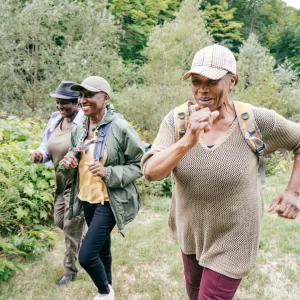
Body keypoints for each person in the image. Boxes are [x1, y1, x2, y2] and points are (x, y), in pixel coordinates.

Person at [141, 44, 300, 300]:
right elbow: (150, 172)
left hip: (235, 236)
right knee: (193, 293)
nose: (202, 90)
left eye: (212, 81)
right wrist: (187, 141)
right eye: (196, 81)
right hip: (192, 232)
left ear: (232, 81)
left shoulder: (255, 120)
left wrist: (292, 192)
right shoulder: (178, 120)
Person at [60, 76, 144, 300]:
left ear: (105, 98)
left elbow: (140, 165)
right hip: (87, 198)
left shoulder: (120, 127)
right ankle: (110, 288)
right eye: (81, 95)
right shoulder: (80, 127)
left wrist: (109, 173)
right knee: (103, 248)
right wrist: (67, 163)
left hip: (109, 200)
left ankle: (104, 291)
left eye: (89, 95)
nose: (82, 100)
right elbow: (72, 163)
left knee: (86, 255)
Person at [30, 80, 85, 286]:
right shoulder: (55, 119)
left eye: (64, 103)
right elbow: (47, 145)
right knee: (59, 221)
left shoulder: (84, 122)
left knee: (70, 226)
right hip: (59, 180)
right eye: (58, 102)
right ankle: (85, 238)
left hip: (78, 181)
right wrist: (39, 154)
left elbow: (88, 146)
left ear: (76, 103)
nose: (59, 106)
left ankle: (69, 272)